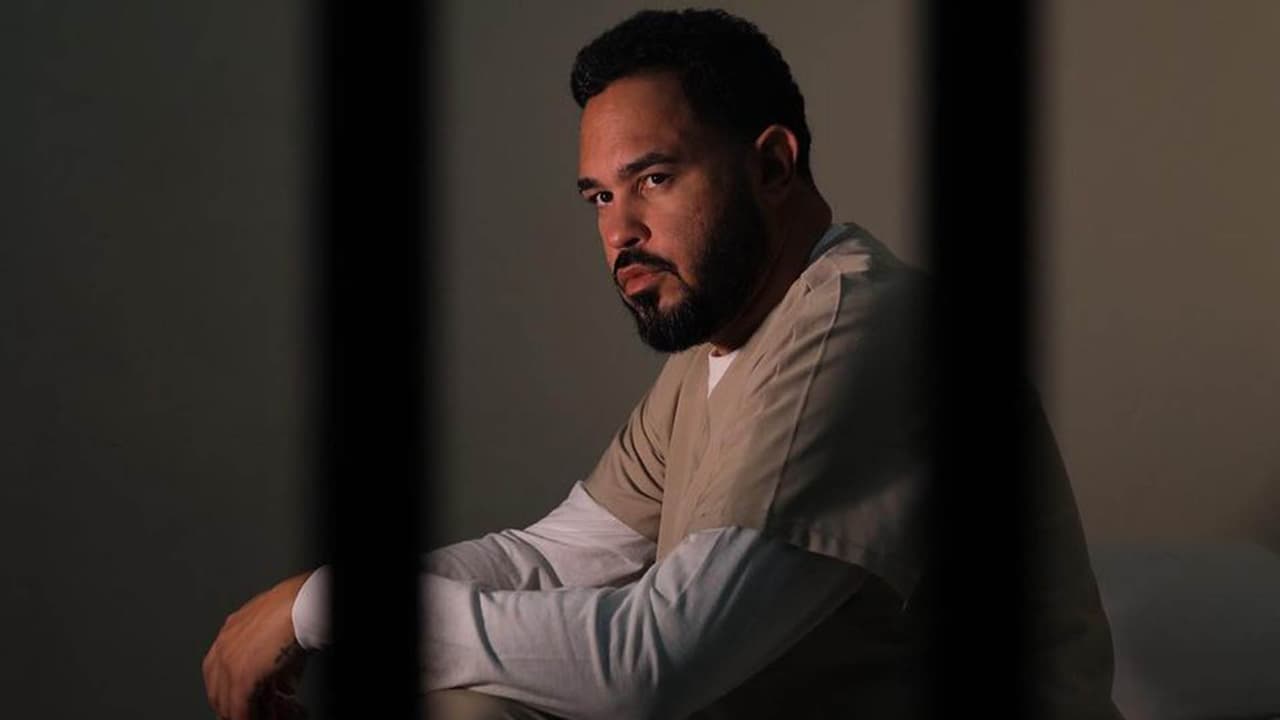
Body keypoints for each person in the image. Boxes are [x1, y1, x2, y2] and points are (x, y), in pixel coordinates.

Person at [203, 9, 1121, 720]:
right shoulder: (722, 341)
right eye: (598, 197)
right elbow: (553, 557)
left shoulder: (860, 330)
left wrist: (317, 608)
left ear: (772, 165)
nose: (620, 233)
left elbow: (651, 664)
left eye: (653, 179)